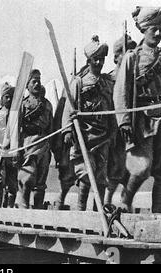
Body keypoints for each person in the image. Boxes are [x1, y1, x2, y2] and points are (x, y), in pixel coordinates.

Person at [114, 7, 161, 213]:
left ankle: (157, 211)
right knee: (142, 168)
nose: (158, 33)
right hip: (141, 118)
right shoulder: (132, 58)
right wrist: (125, 121)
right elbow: (121, 93)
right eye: (154, 29)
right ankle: (126, 199)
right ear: (144, 30)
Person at [63, 36, 116, 211]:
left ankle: (98, 212)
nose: (100, 62)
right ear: (89, 60)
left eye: (102, 59)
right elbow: (69, 109)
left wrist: (114, 130)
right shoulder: (79, 82)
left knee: (100, 177)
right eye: (96, 59)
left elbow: (112, 109)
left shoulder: (107, 82)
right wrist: (68, 130)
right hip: (84, 136)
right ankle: (80, 208)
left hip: (103, 136)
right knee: (86, 174)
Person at [104, 35, 137, 205]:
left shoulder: (136, 78)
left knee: (132, 169)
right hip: (114, 130)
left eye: (132, 50)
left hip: (133, 128)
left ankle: (126, 202)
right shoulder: (109, 79)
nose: (129, 55)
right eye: (124, 52)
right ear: (116, 57)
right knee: (115, 168)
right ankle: (106, 202)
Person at [17, 69, 54, 209]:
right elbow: (16, 128)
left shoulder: (48, 105)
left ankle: (38, 212)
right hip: (28, 144)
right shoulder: (22, 105)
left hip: (44, 144)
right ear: (27, 85)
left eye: (39, 80)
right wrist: (16, 150)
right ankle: (24, 207)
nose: (37, 84)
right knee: (27, 178)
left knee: (40, 183)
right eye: (34, 81)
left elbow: (51, 127)